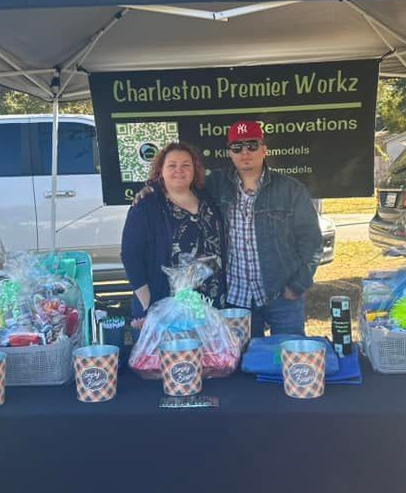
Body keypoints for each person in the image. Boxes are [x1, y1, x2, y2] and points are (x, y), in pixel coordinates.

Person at [205, 120, 323, 337]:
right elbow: (179, 190)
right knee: (242, 365)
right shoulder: (214, 185)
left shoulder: (291, 189)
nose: (245, 152)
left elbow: (312, 241)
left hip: (282, 294)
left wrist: (298, 285)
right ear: (230, 153)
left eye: (252, 145)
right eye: (237, 147)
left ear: (264, 149)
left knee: (288, 358)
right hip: (235, 297)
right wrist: (149, 190)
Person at [121, 142, 226, 326]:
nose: (179, 170)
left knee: (210, 355)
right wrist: (148, 304)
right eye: (172, 165)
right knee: (174, 355)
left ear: (195, 170)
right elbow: (130, 254)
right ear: (160, 170)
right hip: (167, 308)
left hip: (211, 304)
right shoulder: (147, 205)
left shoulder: (207, 198)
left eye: (186, 165)